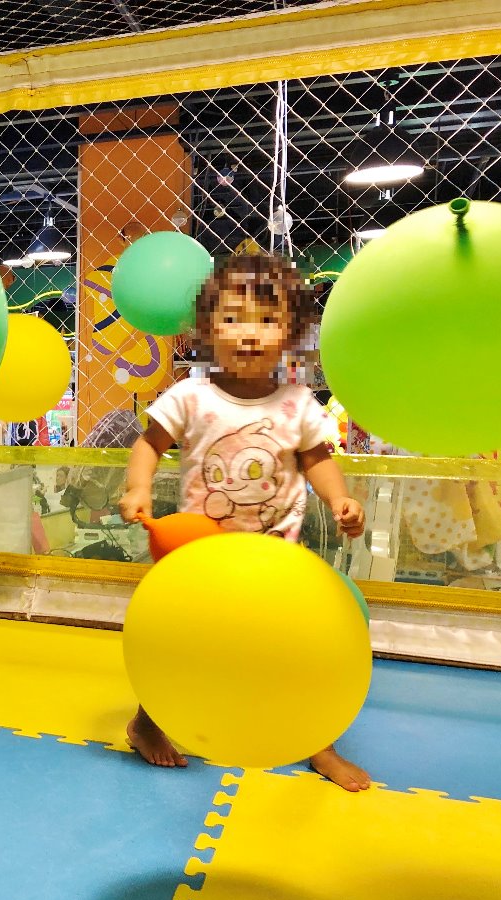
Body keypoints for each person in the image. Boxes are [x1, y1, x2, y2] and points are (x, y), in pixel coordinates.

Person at [118, 253, 369, 792]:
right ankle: (148, 721)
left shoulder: (299, 404)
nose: (248, 334)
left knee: (297, 649)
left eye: (266, 320)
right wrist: (138, 487)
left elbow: (317, 460)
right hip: (200, 560)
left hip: (275, 562)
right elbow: (148, 443)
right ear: (208, 330)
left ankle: (319, 742)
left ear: (293, 332)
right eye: (231, 319)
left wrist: (340, 500)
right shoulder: (190, 396)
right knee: (180, 643)